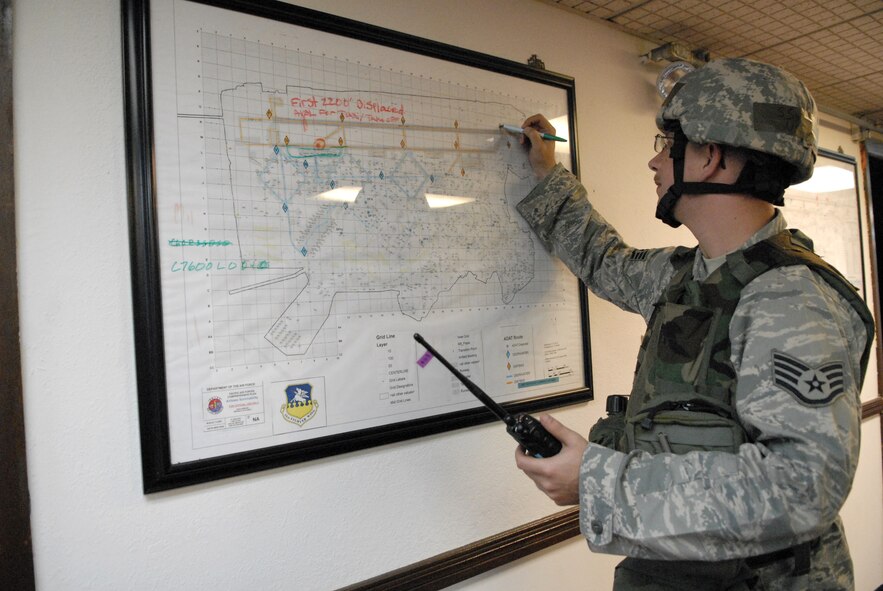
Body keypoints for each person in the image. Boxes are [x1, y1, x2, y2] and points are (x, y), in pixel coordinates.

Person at [512, 58, 875, 590]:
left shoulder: (790, 300)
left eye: (667, 144)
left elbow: (803, 486)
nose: (654, 162)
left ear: (711, 157)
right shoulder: (687, 277)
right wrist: (547, 174)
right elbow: (603, 259)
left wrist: (599, 481)